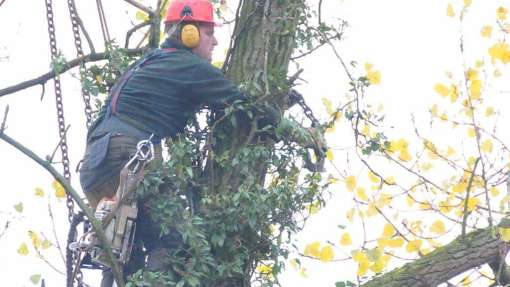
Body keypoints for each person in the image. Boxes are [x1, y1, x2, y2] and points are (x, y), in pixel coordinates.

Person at [79, 0, 262, 285]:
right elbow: (244, 106)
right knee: (172, 243)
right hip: (131, 155)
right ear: (188, 32)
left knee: (127, 255)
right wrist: (295, 131)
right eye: (208, 32)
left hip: (94, 167)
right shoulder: (186, 65)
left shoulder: (145, 63)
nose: (214, 41)